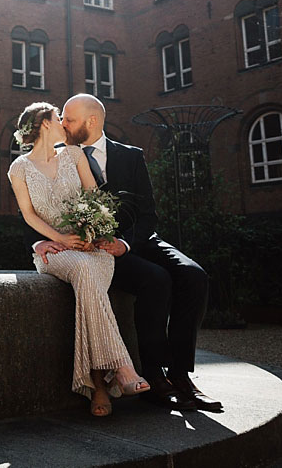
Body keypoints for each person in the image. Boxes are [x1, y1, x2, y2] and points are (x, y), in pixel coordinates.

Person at [25, 94, 222, 412]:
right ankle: (155, 378)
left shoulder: (130, 156)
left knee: (193, 276)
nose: (63, 124)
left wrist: (126, 243)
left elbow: (148, 214)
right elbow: (34, 208)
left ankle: (181, 375)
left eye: (70, 119)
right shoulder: (55, 157)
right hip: (94, 249)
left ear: (91, 121)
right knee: (155, 280)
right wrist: (36, 243)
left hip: (137, 240)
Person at [8, 102, 150, 417]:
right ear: (45, 123)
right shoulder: (19, 168)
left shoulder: (74, 155)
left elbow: (95, 197)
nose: (64, 122)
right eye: (58, 117)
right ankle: (123, 369)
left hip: (90, 249)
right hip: (55, 252)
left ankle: (98, 388)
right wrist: (57, 239)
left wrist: (91, 231)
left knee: (88, 279)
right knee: (85, 272)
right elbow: (29, 214)